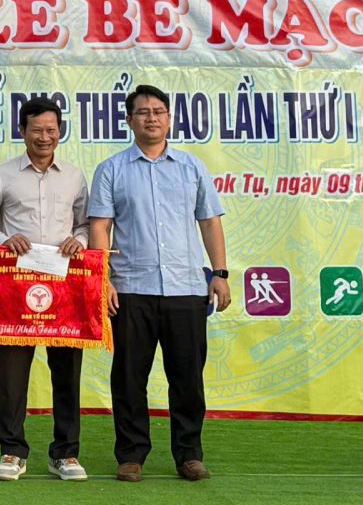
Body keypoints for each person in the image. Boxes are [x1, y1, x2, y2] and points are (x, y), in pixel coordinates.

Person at [89, 84, 230, 484]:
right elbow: (99, 226)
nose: (151, 118)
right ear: (129, 120)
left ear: (169, 119)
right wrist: (102, 279)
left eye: (158, 111)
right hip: (131, 288)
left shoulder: (191, 167)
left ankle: (189, 455)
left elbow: (210, 221)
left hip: (186, 289)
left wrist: (219, 274)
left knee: (187, 378)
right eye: (143, 112)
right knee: (129, 377)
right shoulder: (112, 169)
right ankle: (131, 455)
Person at [0, 95, 91, 482]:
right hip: (16, 289)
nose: (44, 137)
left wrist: (79, 240)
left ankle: (65, 454)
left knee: (67, 373)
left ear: (60, 132)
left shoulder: (74, 177)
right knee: (12, 375)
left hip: (65, 287)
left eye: (51, 130)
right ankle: (12, 451)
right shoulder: (2, 174)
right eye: (36, 129)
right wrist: (4, 239)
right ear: (22, 131)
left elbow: (85, 224)